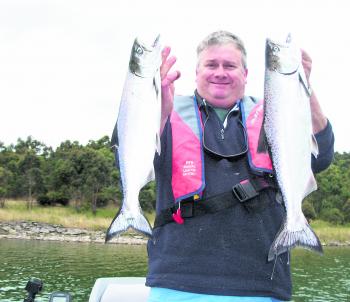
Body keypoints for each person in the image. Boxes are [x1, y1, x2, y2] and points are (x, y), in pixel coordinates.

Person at [145, 31, 335, 301]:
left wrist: (304, 87)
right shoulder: (166, 112)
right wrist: (156, 108)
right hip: (176, 283)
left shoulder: (275, 115)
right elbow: (128, 153)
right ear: (196, 72)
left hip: (260, 284)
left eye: (230, 65)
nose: (220, 72)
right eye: (211, 65)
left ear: (245, 74)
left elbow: (322, 155)